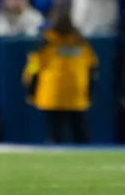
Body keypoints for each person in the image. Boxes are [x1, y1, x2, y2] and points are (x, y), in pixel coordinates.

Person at [22, 10, 98, 144]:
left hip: (52, 94)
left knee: (54, 135)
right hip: (76, 94)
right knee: (80, 134)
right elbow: (92, 69)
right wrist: (90, 92)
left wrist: (31, 92)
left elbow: (33, 68)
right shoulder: (81, 43)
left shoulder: (45, 42)